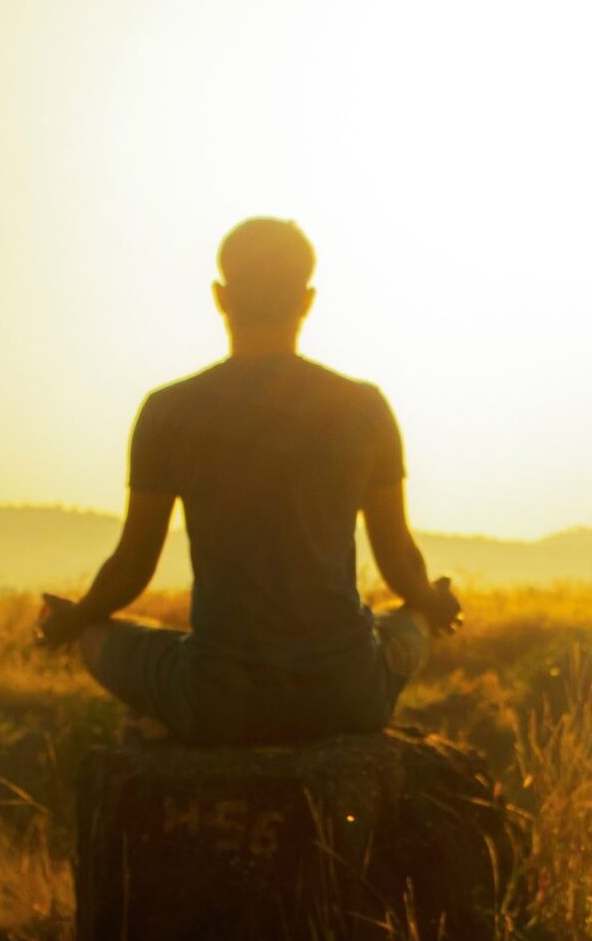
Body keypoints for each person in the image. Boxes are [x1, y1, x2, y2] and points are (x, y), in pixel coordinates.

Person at [38, 217, 462, 744]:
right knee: (411, 621)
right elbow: (400, 561)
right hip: (348, 694)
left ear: (221, 296)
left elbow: (131, 568)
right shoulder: (363, 408)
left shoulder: (169, 411)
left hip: (219, 699)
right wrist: (432, 601)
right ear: (306, 300)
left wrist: (72, 619)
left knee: (97, 637)